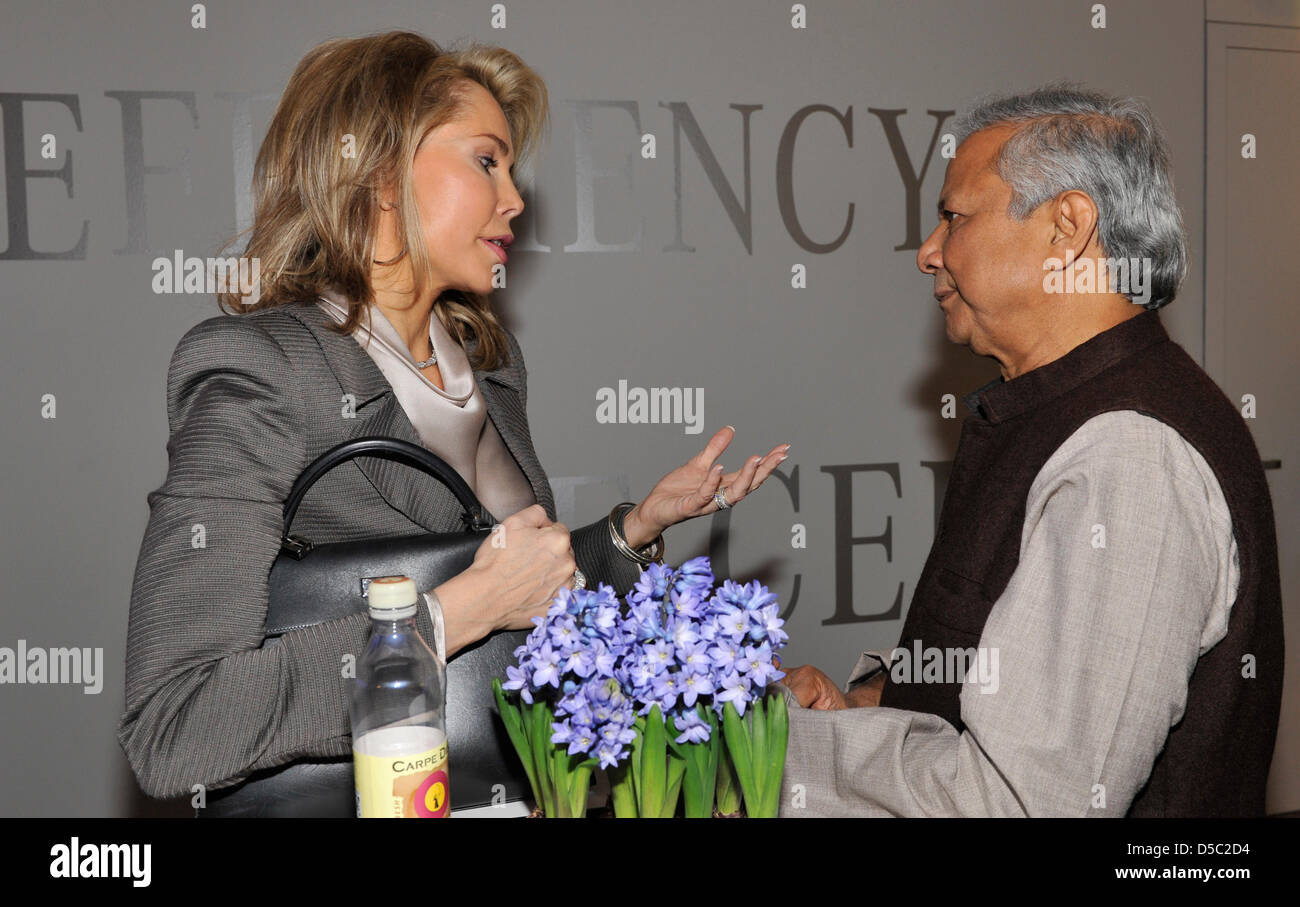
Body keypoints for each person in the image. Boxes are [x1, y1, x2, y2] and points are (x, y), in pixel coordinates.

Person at [116, 31, 788, 807]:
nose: (515, 199)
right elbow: (176, 722)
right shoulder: (263, 371)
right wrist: (445, 619)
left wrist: (629, 531)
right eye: (485, 160)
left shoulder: (492, 370)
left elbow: (511, 594)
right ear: (378, 170)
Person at [778, 84, 1283, 817]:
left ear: (1068, 226)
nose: (928, 252)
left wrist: (782, 746)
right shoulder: (1065, 412)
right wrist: (865, 705)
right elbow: (1011, 680)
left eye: (953, 217)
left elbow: (1020, 803)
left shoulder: (1130, 456)